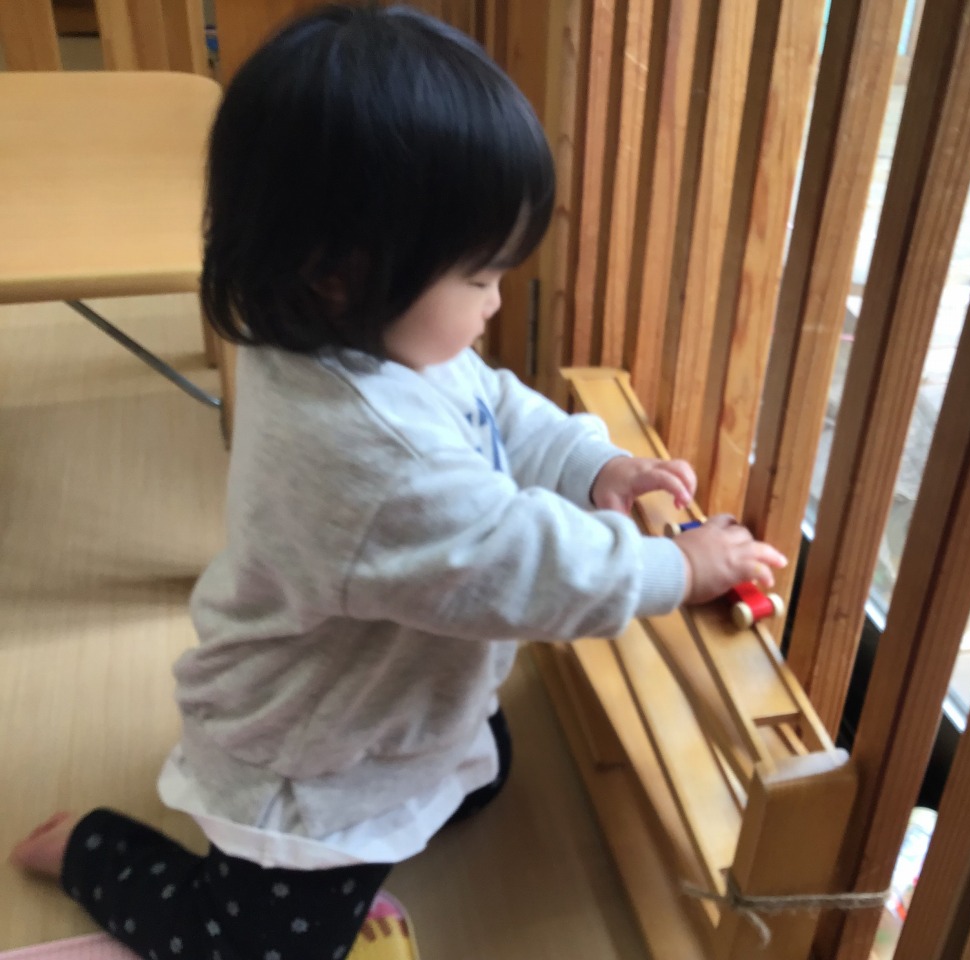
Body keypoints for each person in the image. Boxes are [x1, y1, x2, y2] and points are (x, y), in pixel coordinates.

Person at [8, 6, 786, 959]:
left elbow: (495, 406)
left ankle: (399, 792)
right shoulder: (370, 456)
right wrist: (680, 569)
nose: (497, 301)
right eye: (481, 277)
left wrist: (592, 467)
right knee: (255, 948)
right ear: (341, 272)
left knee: (487, 770)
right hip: (310, 762)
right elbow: (529, 568)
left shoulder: (357, 340)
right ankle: (94, 853)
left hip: (389, 698)